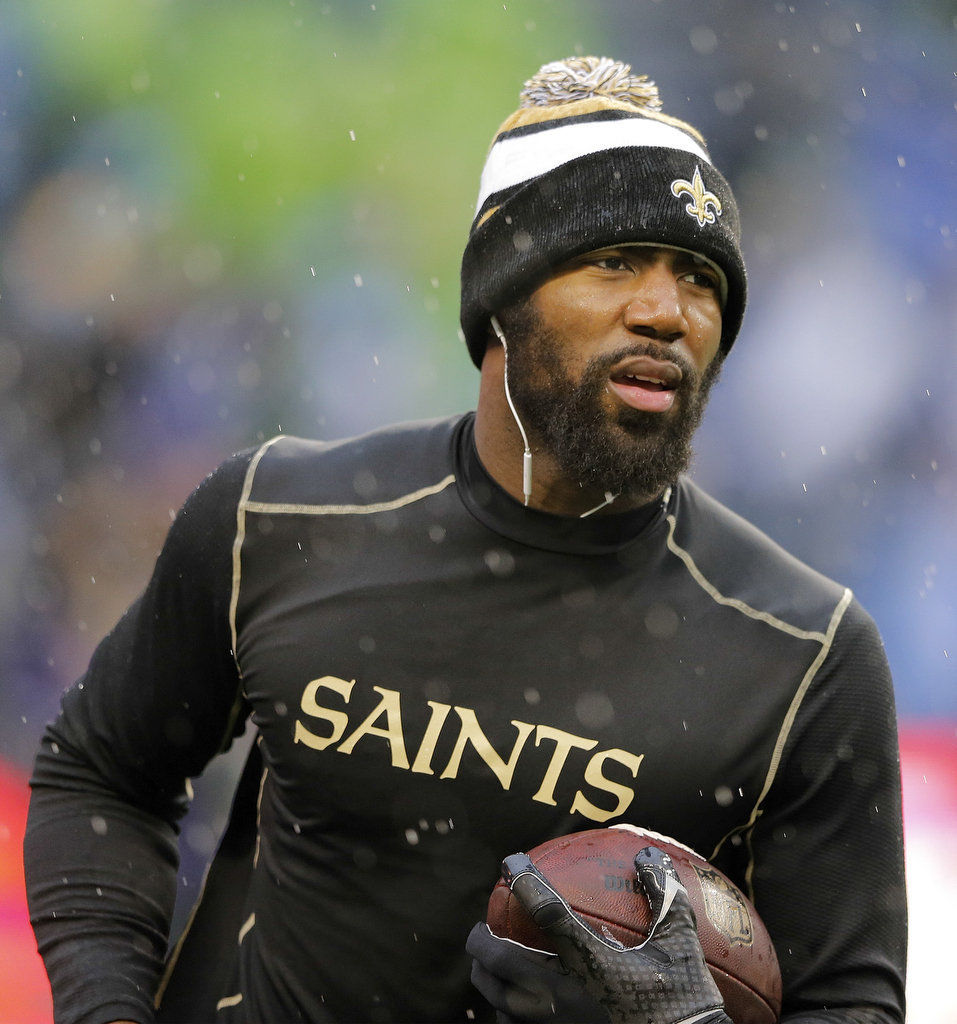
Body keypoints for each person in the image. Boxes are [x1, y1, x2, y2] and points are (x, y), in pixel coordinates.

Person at [24, 56, 906, 1023]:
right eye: (613, 261)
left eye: (699, 277)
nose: (666, 310)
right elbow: (101, 775)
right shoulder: (279, 518)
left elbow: (851, 1004)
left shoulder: (804, 654)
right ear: (501, 297)